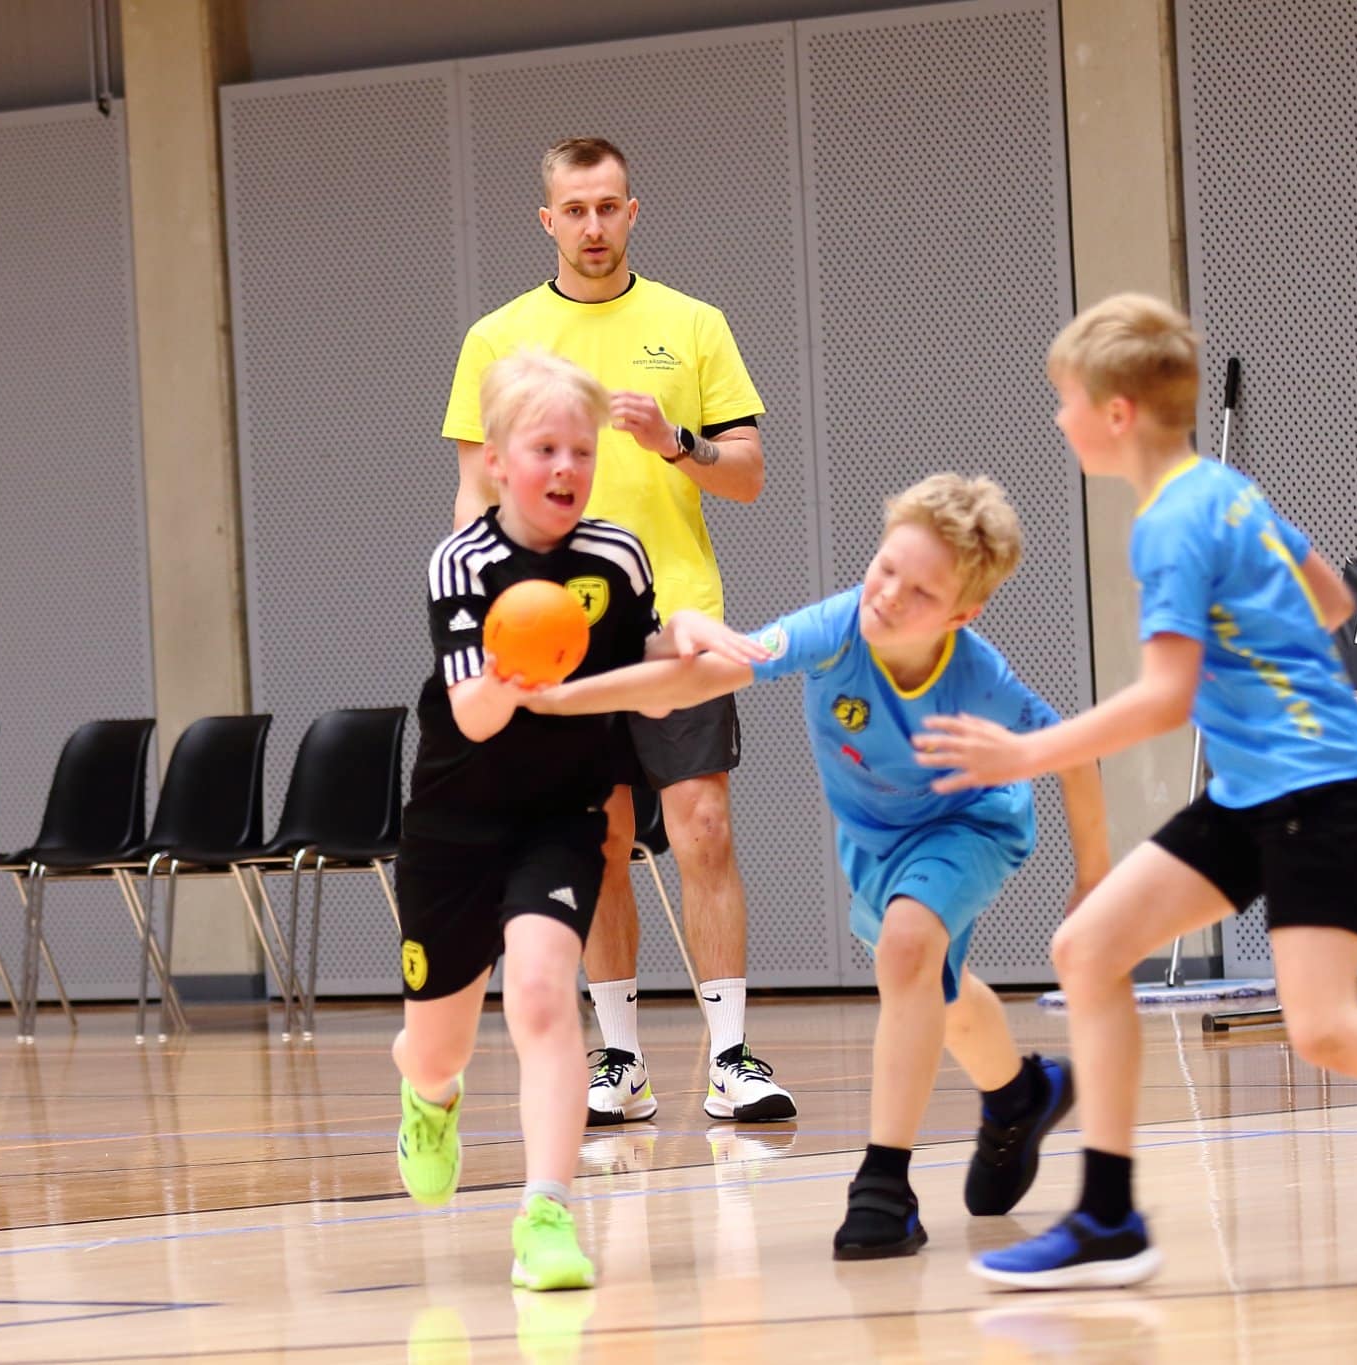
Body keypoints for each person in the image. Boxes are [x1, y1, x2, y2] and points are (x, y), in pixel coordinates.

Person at [917, 292, 1357, 1290]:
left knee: (1324, 1028)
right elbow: (1331, 598)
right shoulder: (1226, 489)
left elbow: (1163, 697)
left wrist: (1025, 753)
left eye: (1065, 400)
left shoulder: (1170, 524)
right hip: (1263, 782)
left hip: (1313, 785)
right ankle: (1107, 1216)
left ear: (1115, 412)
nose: (1057, 418)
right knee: (1088, 948)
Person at [526, 473, 1109, 1259]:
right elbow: (701, 676)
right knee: (934, 988)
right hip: (877, 843)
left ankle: (884, 1186)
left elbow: (1074, 748)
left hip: (969, 822)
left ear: (962, 614)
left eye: (920, 592)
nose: (889, 595)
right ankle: (1018, 1094)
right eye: (886, 567)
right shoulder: (836, 628)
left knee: (907, 949)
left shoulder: (977, 676)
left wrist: (1092, 876)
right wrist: (560, 700)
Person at [442, 137, 793, 1123]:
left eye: (608, 207)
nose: (592, 226)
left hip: (676, 622)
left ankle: (731, 1057)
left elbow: (748, 476)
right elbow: (473, 495)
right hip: (557, 636)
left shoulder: (693, 324)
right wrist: (482, 617)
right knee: (598, 840)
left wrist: (674, 443)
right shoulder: (496, 339)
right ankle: (621, 1064)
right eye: (575, 209)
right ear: (547, 219)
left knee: (704, 827)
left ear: (631, 211)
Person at [392, 349, 760, 1289]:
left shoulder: (616, 554)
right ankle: (430, 1096)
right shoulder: (463, 561)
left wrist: (685, 640)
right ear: (497, 463)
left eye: (582, 451)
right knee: (436, 1043)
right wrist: (523, 670)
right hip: (454, 825)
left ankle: (547, 1214)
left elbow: (645, 666)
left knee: (544, 993)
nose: (567, 468)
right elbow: (474, 713)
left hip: (562, 814)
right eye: (545, 450)